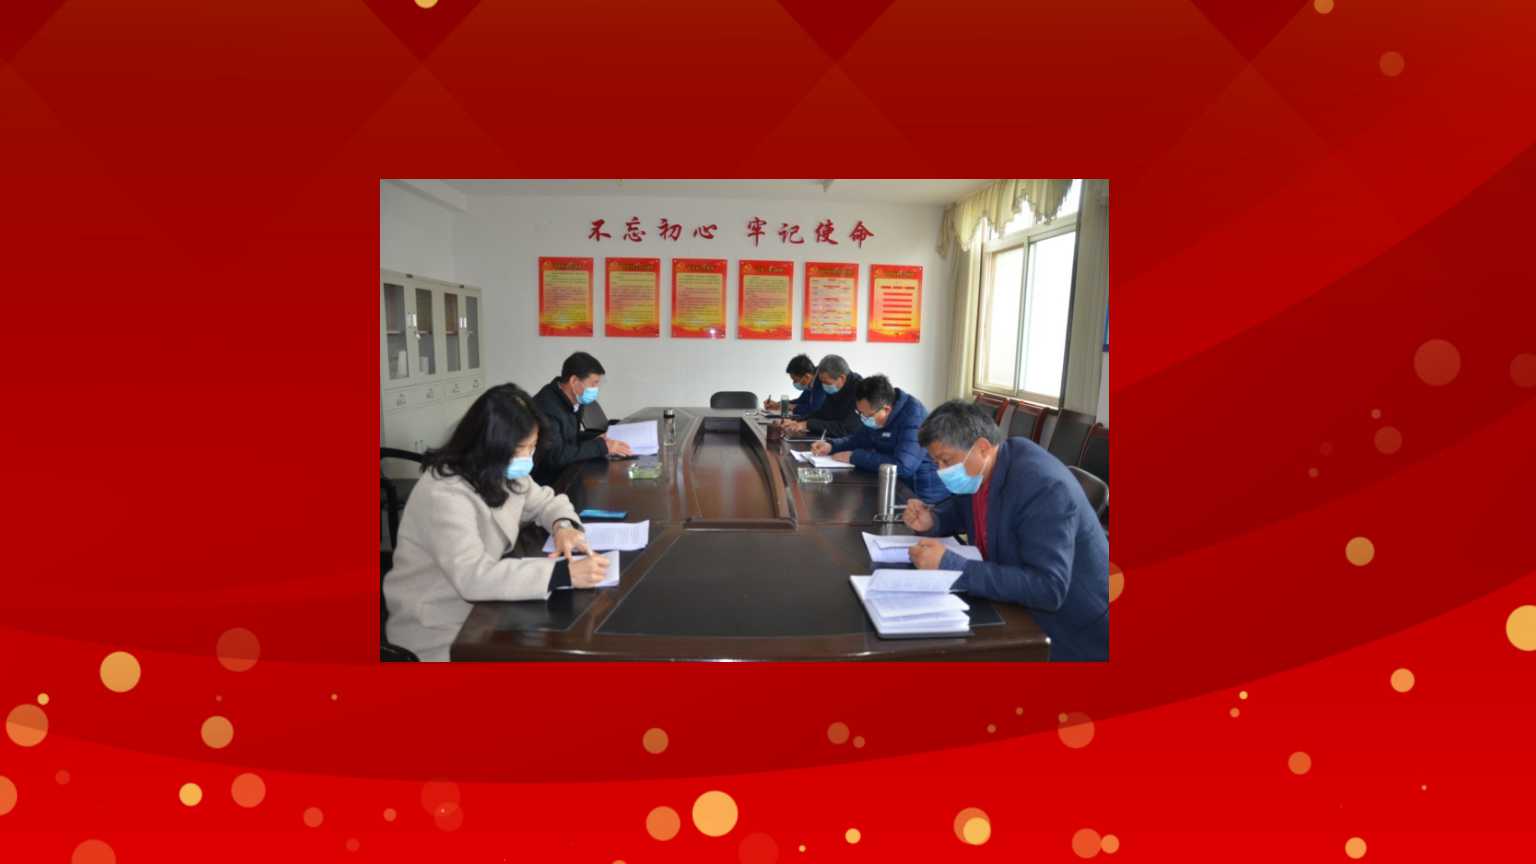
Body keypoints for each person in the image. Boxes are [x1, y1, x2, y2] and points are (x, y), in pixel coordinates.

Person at [384, 384, 610, 661]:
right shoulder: (443, 492)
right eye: (520, 448)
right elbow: (473, 576)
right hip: (441, 625)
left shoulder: (504, 470)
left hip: (487, 608)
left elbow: (547, 502)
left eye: (532, 447)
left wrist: (563, 527)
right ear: (489, 445)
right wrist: (563, 574)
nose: (527, 458)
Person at [902, 400, 1109, 661]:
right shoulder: (987, 465)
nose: (941, 471)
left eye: (946, 461)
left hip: (1069, 632)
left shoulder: (1043, 487)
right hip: (1011, 605)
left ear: (982, 448)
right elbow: (964, 506)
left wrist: (952, 566)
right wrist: (934, 520)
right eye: (936, 462)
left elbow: (1048, 588)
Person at [810, 374, 947, 502]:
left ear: (886, 409)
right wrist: (831, 445)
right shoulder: (875, 413)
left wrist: (855, 456)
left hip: (922, 494)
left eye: (867, 415)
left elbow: (903, 466)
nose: (863, 418)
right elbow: (858, 439)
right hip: (894, 485)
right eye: (859, 413)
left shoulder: (914, 417)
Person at [532, 351, 630, 485]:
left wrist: (598, 438)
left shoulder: (574, 399)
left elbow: (570, 437)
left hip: (567, 470)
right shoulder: (547, 407)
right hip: (549, 482)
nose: (596, 389)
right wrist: (601, 446)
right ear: (574, 381)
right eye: (593, 384)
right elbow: (555, 456)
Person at [777, 354, 860, 438]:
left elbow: (845, 429)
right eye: (821, 382)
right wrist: (796, 421)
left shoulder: (860, 391)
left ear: (841, 378)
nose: (823, 386)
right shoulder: (834, 386)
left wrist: (807, 424)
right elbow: (822, 413)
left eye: (826, 383)